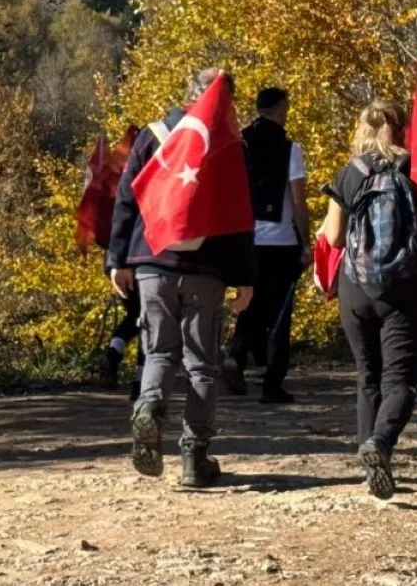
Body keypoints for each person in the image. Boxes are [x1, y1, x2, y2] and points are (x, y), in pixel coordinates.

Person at [108, 68, 256, 486]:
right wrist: (245, 276)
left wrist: (118, 258)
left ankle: (150, 405)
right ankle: (195, 457)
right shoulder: (230, 145)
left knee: (158, 353)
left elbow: (127, 196)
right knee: (202, 364)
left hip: (151, 260)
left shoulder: (154, 133)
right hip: (206, 269)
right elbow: (241, 217)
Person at [317, 101, 417, 500]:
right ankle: (382, 444)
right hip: (405, 286)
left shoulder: (351, 171)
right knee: (401, 378)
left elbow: (334, 238)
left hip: (357, 286)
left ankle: (369, 462)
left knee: (368, 375)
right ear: (402, 128)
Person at [225, 88, 310, 404]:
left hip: (246, 238)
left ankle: (236, 353)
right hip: (280, 240)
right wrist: (305, 241)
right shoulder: (289, 149)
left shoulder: (239, 143)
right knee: (279, 312)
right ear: (281, 108)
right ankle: (272, 382)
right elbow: (298, 201)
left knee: (251, 301)